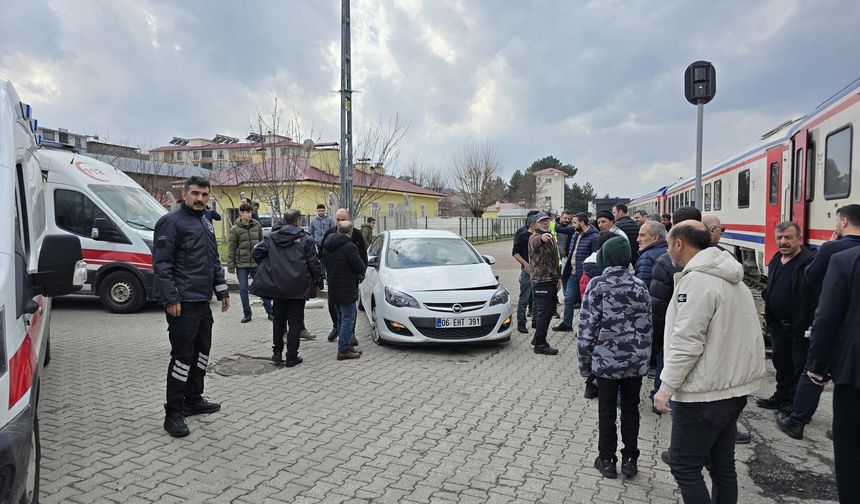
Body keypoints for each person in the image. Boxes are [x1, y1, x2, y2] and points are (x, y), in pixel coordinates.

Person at [653, 221, 765, 504]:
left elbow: (687, 341)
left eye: (669, 244)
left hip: (703, 394)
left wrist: (666, 387)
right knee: (722, 466)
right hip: (732, 388)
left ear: (679, 243)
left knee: (683, 465)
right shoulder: (732, 277)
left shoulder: (697, 281)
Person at [152, 176, 230, 438]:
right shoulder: (170, 222)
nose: (200, 199)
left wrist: (222, 290)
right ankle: (173, 413)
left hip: (202, 302)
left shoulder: (205, 221)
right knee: (182, 357)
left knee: (202, 353)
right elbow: (162, 265)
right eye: (195, 193)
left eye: (204, 195)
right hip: (182, 304)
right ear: (184, 194)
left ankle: (193, 399)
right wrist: (171, 298)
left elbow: (213, 259)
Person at [776, 204, 860, 439]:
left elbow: (809, 276)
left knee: (814, 370)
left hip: (834, 323)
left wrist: (826, 247)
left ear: (843, 222)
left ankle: (797, 421)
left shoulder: (834, 249)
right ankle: (845, 426)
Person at [578, 236, 652, 479]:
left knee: (607, 410)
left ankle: (607, 460)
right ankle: (630, 459)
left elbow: (587, 329)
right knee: (631, 409)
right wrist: (644, 359)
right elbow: (648, 326)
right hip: (634, 362)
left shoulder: (597, 285)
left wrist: (585, 366)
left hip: (606, 362)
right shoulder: (640, 285)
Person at [804, 245, 860, 502]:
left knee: (851, 447)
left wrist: (817, 366)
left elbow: (826, 318)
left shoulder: (846, 260)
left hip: (854, 372)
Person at [251, 209, 322, 368]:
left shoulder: (271, 237)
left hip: (277, 286)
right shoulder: (306, 240)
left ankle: (277, 354)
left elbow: (256, 252)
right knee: (295, 322)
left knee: (278, 320)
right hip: (298, 287)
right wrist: (319, 282)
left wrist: (270, 267)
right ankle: (292, 356)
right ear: (298, 221)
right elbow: (313, 264)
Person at [756, 222, 815, 413]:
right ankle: (780, 396)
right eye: (779, 238)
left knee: (798, 366)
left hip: (799, 326)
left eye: (788, 237)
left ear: (799, 238)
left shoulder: (809, 262)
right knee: (781, 363)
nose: (783, 242)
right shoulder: (775, 260)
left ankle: (793, 402)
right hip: (777, 325)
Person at [648, 207, 702, 404]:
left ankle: (661, 397)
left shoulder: (665, 261)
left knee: (667, 360)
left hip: (673, 331)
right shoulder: (724, 258)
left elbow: (658, 305)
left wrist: (654, 340)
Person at [322, 221, 366, 361]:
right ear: (350, 232)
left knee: (341, 317)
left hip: (333, 286)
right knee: (348, 318)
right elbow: (360, 267)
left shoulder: (327, 244)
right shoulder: (349, 246)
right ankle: (343, 350)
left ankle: (346, 345)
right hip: (346, 287)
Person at [227, 203, 272, 323]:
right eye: (247, 212)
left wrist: (264, 260)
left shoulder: (256, 225)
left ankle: (270, 312)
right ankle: (247, 314)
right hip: (242, 264)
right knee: (243, 289)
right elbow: (231, 248)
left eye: (250, 212)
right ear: (241, 213)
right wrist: (231, 266)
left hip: (256, 263)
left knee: (263, 287)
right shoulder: (235, 229)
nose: (250, 214)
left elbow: (262, 243)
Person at [554, 213, 598, 332]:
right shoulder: (575, 234)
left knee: (586, 302)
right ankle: (567, 324)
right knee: (568, 299)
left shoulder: (594, 237)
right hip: (573, 273)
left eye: (574, 222)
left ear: (582, 223)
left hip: (585, 276)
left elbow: (595, 257)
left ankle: (585, 328)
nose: (572, 225)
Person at [528, 213, 561, 355]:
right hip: (541, 281)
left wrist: (558, 278)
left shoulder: (551, 236)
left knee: (550, 310)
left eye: (547, 220)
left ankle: (537, 338)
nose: (546, 223)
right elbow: (535, 242)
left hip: (551, 280)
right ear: (536, 224)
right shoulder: (534, 237)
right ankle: (540, 345)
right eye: (542, 221)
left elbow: (554, 260)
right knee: (543, 312)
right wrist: (542, 238)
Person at [512, 211, 539, 332]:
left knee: (537, 298)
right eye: (539, 222)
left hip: (539, 273)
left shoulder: (541, 236)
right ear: (533, 224)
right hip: (527, 273)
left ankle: (536, 322)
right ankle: (521, 323)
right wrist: (525, 264)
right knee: (524, 299)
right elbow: (515, 253)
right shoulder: (523, 236)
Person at [634, 220, 668, 287]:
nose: (638, 239)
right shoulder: (670, 252)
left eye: (642, 235)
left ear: (655, 238)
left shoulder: (647, 258)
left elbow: (642, 288)